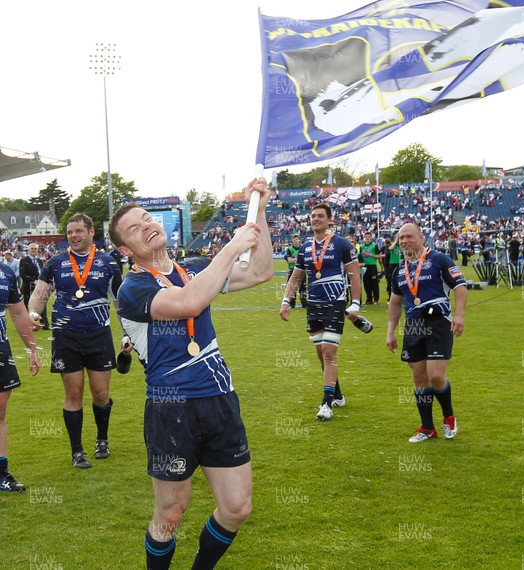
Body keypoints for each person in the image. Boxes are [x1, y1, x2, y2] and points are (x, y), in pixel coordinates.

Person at [108, 178, 273, 570]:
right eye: (134, 228)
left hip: (219, 399)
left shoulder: (194, 268)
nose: (146, 226)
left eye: (147, 218)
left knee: (236, 507)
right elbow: (190, 302)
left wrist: (260, 211)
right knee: (170, 514)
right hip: (171, 410)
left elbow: (262, 271)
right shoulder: (132, 289)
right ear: (124, 249)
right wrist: (233, 246)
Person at [28, 213, 127, 469]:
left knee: (101, 393)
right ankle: (77, 451)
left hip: (98, 335)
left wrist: (128, 332)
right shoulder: (55, 263)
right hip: (66, 337)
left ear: (91, 232)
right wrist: (32, 313)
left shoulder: (108, 263)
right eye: (70, 232)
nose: (73, 236)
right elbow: (39, 294)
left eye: (78, 231)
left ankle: (102, 439)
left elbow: (121, 303)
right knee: (73, 393)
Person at [280, 203, 363, 421]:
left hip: (335, 303)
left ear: (328, 220)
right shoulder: (305, 248)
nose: (315, 219)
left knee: (328, 351)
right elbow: (296, 277)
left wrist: (355, 303)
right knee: (321, 353)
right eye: (313, 216)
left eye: (320, 216)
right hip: (313, 305)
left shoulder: (341, 244)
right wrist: (286, 300)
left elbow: (354, 275)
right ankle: (337, 394)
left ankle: (326, 403)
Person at [386, 223, 467, 443]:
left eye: (409, 236)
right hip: (413, 325)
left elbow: (460, 287)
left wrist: (458, 316)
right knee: (419, 379)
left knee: (436, 376)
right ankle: (427, 427)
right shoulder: (398, 271)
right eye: (401, 238)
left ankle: (449, 416)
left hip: (438, 322)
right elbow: (395, 303)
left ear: (421, 238)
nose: (404, 241)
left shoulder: (439, 260)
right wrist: (390, 332)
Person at [0, 259, 40, 492]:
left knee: (1, 409)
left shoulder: (5, 272)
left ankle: (2, 472)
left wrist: (32, 349)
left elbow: (17, 313)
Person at [19, 243, 49, 329]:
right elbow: (23, 274)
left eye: (35, 249)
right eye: (32, 248)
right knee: (28, 306)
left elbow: (42, 272)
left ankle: (44, 324)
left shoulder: (39, 261)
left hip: (40, 287)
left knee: (42, 304)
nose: (34, 250)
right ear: (28, 250)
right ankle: (28, 325)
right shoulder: (24, 260)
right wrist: (33, 281)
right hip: (28, 287)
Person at [284, 234, 306, 308]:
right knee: (292, 287)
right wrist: (300, 260)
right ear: (292, 242)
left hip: (302, 271)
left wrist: (296, 260)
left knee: (303, 289)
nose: (296, 241)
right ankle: (292, 304)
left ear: (300, 240)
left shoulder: (303, 248)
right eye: (294, 240)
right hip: (292, 270)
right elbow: (289, 260)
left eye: (297, 239)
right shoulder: (289, 249)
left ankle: (304, 304)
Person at [360, 231, 383, 304]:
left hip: (372, 266)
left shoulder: (374, 245)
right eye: (366, 237)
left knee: (374, 283)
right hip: (364, 266)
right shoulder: (362, 246)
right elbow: (360, 256)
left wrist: (369, 255)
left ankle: (376, 299)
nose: (367, 238)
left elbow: (379, 256)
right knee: (366, 283)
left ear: (371, 238)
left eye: (369, 237)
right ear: (364, 238)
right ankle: (369, 299)